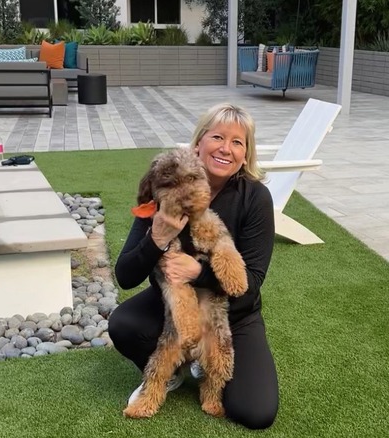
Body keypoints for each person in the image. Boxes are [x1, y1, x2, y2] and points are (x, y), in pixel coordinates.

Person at [108, 103, 278, 430]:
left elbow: (250, 283)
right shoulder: (165, 185)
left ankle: (203, 362)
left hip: (232, 312)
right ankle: (170, 372)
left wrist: (197, 272)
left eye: (238, 142)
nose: (226, 149)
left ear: (246, 154)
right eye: (218, 137)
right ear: (199, 142)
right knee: (124, 324)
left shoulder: (254, 198)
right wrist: (156, 238)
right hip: (172, 305)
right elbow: (126, 275)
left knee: (255, 412)